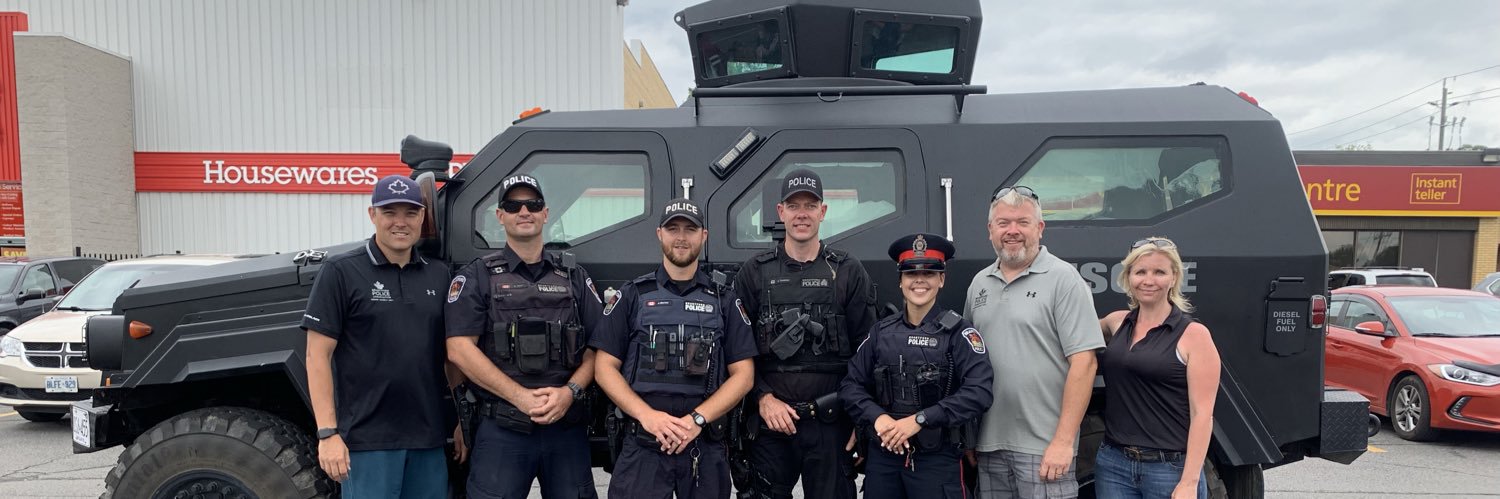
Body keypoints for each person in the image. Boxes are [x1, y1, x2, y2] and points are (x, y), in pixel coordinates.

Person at [445, 174, 606, 498]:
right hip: (502, 428)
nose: (524, 212)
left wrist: (570, 392)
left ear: (545, 214)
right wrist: (519, 396)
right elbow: (459, 349)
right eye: (513, 205)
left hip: (565, 428)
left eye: (532, 204)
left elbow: (599, 347)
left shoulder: (574, 276)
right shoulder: (476, 276)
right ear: (500, 215)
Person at [591, 198, 758, 499]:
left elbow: (744, 375)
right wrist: (648, 416)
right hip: (643, 445)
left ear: (703, 236)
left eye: (690, 229)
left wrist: (696, 420)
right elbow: (603, 368)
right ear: (659, 234)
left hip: (703, 446)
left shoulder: (723, 299)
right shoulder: (632, 295)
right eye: (673, 229)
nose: (681, 237)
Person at [304, 174, 458, 498]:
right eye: (390, 212)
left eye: (410, 213)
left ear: (422, 218)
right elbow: (317, 355)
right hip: (366, 442)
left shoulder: (439, 275)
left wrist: (461, 421)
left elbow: (450, 358)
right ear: (372, 215)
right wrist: (327, 433)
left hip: (428, 440)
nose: (400, 222)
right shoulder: (341, 271)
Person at [731, 169, 876, 499]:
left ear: (822, 212)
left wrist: (860, 417)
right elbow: (737, 351)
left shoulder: (847, 270)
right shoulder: (755, 272)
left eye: (810, 206)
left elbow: (867, 352)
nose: (801, 214)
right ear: (780, 212)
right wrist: (762, 399)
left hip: (830, 421)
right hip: (770, 424)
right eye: (793, 206)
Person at [964, 186, 1103, 499]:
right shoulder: (979, 284)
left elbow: (1085, 362)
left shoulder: (1064, 279)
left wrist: (1064, 441)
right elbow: (969, 364)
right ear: (990, 231)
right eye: (1003, 223)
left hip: (1044, 449)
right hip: (990, 447)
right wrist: (971, 437)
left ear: (1039, 228)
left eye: (1022, 222)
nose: (1012, 231)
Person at [840, 233, 994, 499]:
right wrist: (879, 418)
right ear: (900, 281)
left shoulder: (959, 334)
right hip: (884, 459)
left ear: (941, 279)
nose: (919, 280)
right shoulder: (880, 332)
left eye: (929, 273)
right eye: (911, 274)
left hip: (936, 460)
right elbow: (850, 386)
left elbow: (979, 392)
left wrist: (920, 420)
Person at [1095, 237, 1220, 499]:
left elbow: (1202, 415)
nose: (1148, 280)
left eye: (1159, 272)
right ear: (1128, 277)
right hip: (1113, 464)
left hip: (1168, 469)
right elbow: (1071, 335)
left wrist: (1189, 481)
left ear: (1174, 277)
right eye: (1140, 272)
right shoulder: (1117, 323)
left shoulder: (1194, 335)